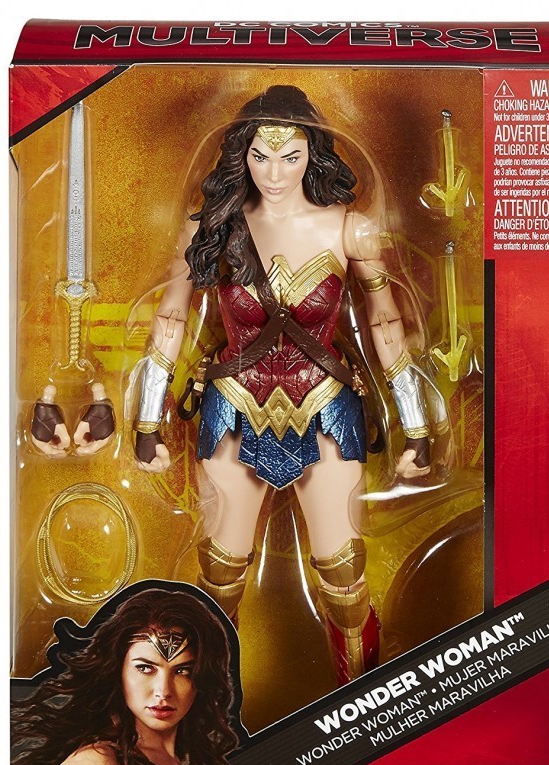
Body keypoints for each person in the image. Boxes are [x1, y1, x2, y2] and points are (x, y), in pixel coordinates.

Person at [132, 85, 449, 684]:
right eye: (260, 156)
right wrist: (147, 419)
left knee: (345, 578)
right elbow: (171, 317)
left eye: (290, 157)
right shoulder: (209, 226)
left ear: (313, 155)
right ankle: (205, 716)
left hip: (325, 409)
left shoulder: (351, 229)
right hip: (234, 408)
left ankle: (365, 709)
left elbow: (385, 324)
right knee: (219, 580)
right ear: (241, 155)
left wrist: (415, 424)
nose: (274, 173)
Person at [11, 588, 251, 765]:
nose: (163, 690)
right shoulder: (93, 764)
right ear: (118, 670)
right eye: (145, 668)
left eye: (183, 671)